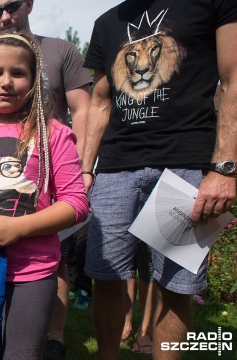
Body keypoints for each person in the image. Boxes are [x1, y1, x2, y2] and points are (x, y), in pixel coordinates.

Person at [81, 1, 237, 359]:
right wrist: (86, 169)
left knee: (176, 286)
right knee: (104, 276)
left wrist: (224, 168)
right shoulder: (107, 22)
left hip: (184, 164)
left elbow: (232, 79)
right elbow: (101, 101)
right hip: (114, 168)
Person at [0, 2, 93, 358]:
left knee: (23, 352)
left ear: (33, 81)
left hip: (34, 270)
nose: (5, 81)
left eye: (17, 73)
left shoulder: (55, 135)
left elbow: (76, 205)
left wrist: (21, 228)